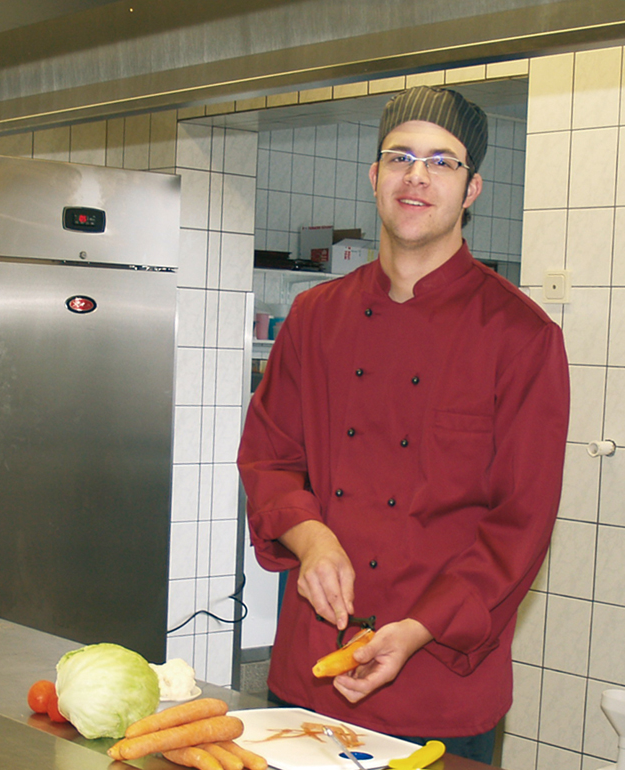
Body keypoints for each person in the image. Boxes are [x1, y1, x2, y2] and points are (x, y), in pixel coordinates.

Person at [237, 86, 570, 763]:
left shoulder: (520, 337)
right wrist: (313, 539)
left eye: (442, 162)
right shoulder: (315, 316)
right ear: (375, 175)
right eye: (401, 157)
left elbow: (520, 525)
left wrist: (419, 629)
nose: (417, 177)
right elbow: (270, 456)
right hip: (310, 671)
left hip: (437, 685)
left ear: (471, 187)